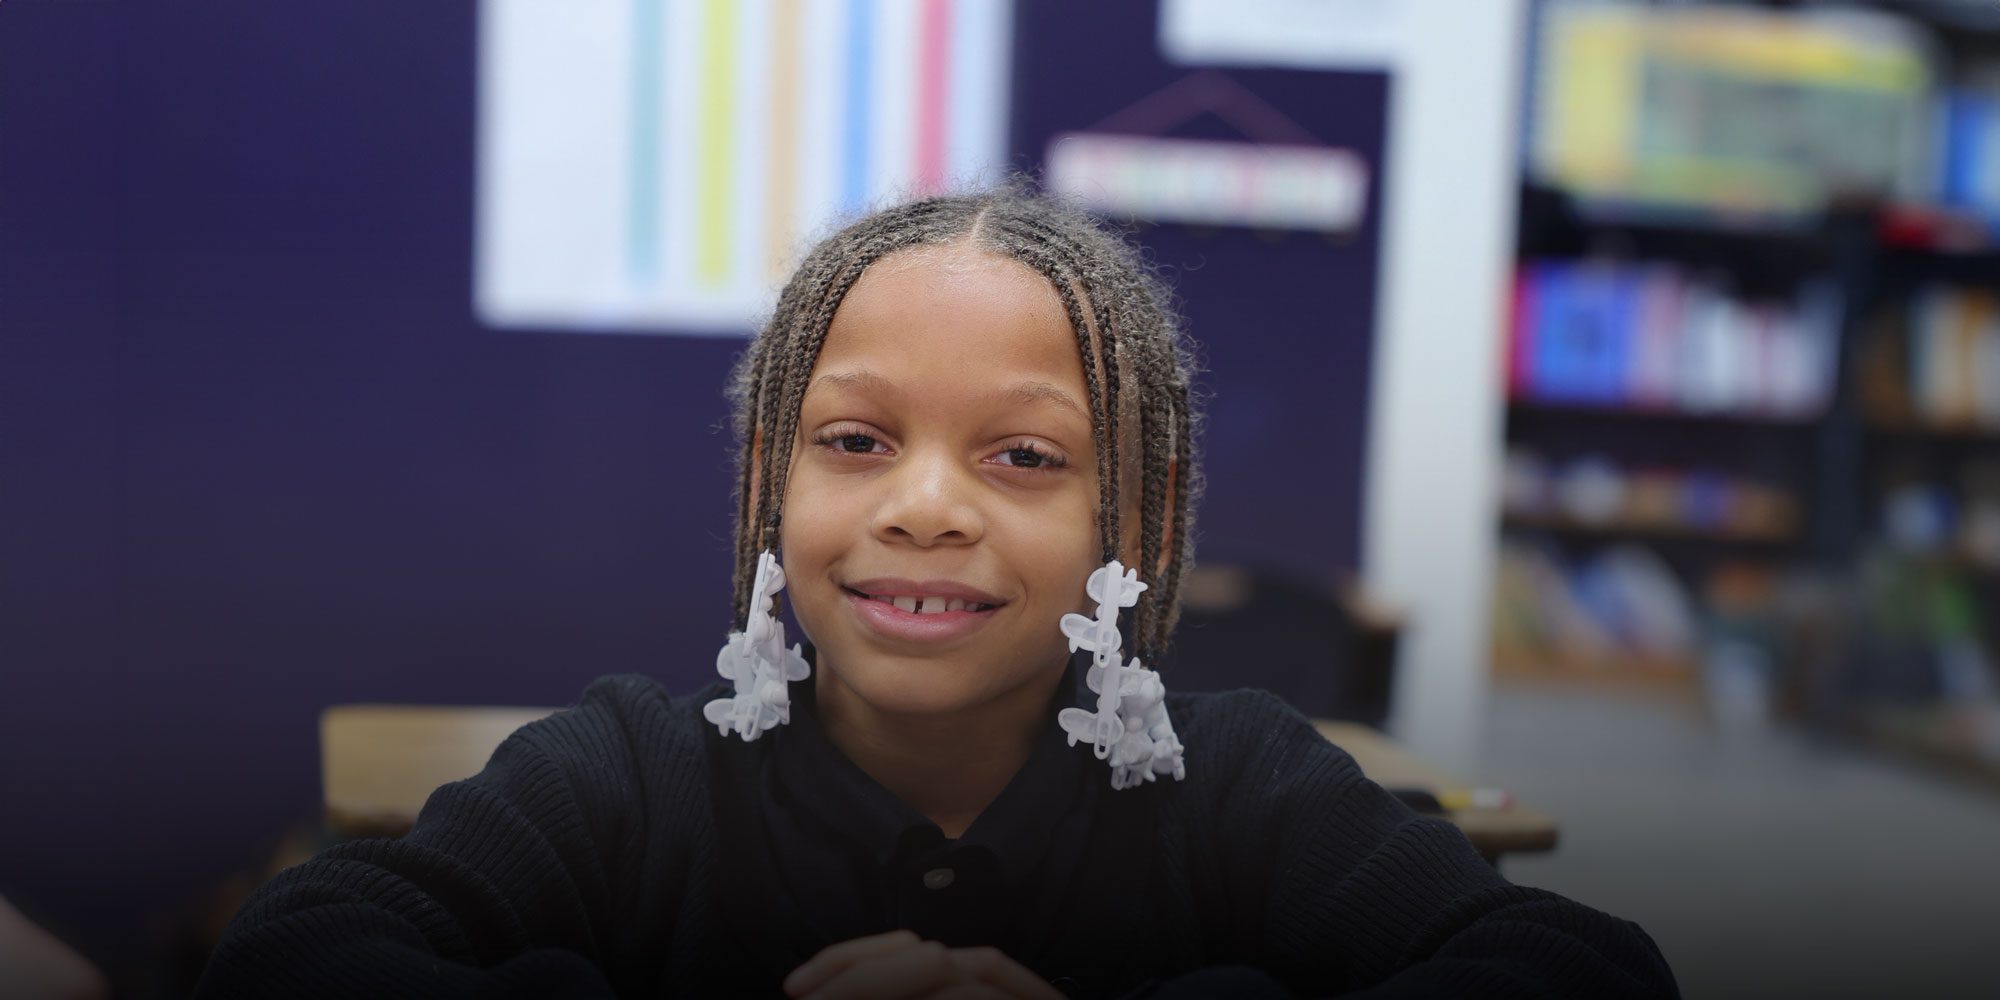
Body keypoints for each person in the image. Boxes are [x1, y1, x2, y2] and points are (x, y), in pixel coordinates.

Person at [196, 189, 1679, 998]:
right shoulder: (636, 776)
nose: (922, 506)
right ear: (769, 490)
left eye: (1022, 456)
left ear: (1142, 517)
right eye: (855, 442)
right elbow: (292, 949)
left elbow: (1578, 968)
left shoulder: (1239, 785)